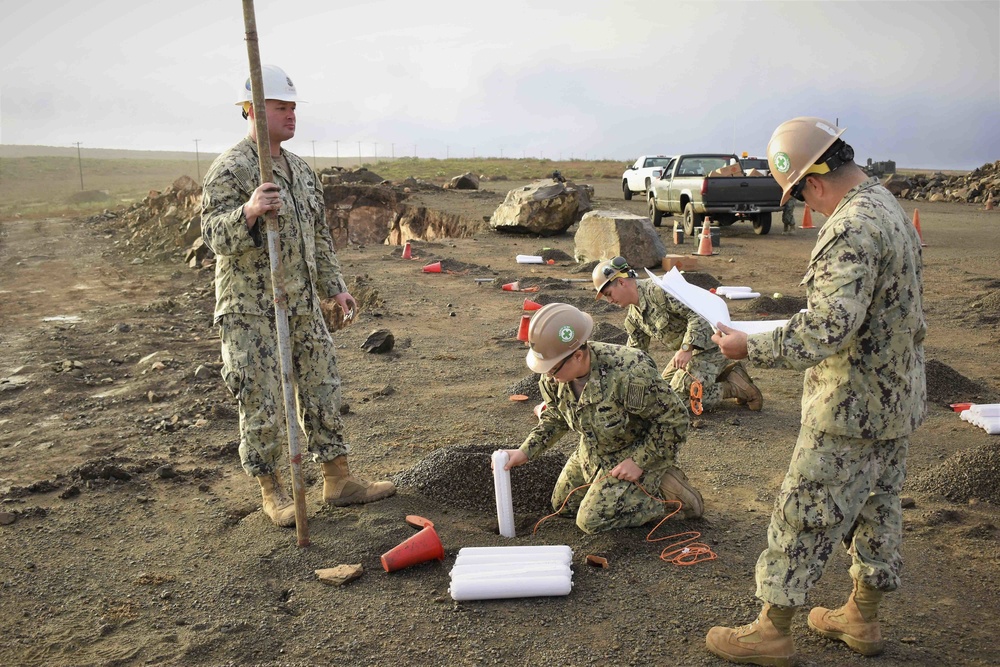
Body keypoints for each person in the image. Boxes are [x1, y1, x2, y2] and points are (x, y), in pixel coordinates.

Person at [704, 117, 926, 665]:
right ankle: (862, 618)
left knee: (802, 513)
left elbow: (827, 329)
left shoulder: (851, 227)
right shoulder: (888, 207)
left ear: (813, 183)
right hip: (895, 403)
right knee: (877, 508)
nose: (809, 208)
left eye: (800, 196)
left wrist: (748, 348)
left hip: (849, 409)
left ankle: (772, 632)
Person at [201, 65, 395, 528]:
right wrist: (248, 211)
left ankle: (338, 479)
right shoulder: (231, 169)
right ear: (252, 109)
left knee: (322, 385)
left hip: (302, 305)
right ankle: (273, 491)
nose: (291, 115)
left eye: (292, 107)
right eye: (280, 107)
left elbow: (318, 239)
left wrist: (336, 287)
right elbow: (213, 236)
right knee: (262, 399)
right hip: (251, 308)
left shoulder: (303, 173)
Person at [499, 303, 704, 533]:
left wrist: (639, 461)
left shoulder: (630, 373)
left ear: (577, 356)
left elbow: (675, 420)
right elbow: (555, 417)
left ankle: (667, 495)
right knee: (564, 506)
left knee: (590, 521)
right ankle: (616, 489)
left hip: (634, 450)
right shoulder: (554, 375)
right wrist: (525, 451)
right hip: (594, 450)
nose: (549, 377)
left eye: (552, 370)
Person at [592, 257, 762, 413]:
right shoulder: (634, 317)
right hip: (688, 355)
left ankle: (734, 387)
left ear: (621, 282)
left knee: (674, 404)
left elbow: (699, 314)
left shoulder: (659, 291)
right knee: (660, 394)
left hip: (711, 347)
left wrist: (686, 348)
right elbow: (636, 355)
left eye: (608, 294)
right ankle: (724, 374)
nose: (610, 301)